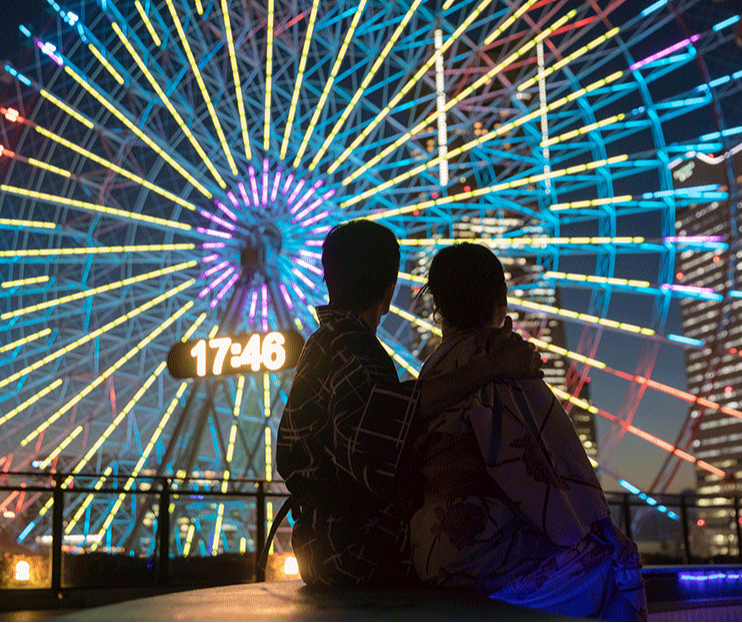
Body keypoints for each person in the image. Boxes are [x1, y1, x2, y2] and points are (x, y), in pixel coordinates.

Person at [275, 220, 542, 587]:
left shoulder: (323, 343)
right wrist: (490, 367)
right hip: (358, 546)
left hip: (320, 544)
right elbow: (378, 432)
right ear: (388, 289)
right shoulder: (353, 347)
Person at [409, 242, 647, 619]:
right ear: (499, 301)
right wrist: (599, 525)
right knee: (614, 566)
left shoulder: (431, 369)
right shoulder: (503, 357)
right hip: (484, 551)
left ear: (436, 305)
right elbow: (552, 455)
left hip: (428, 549)